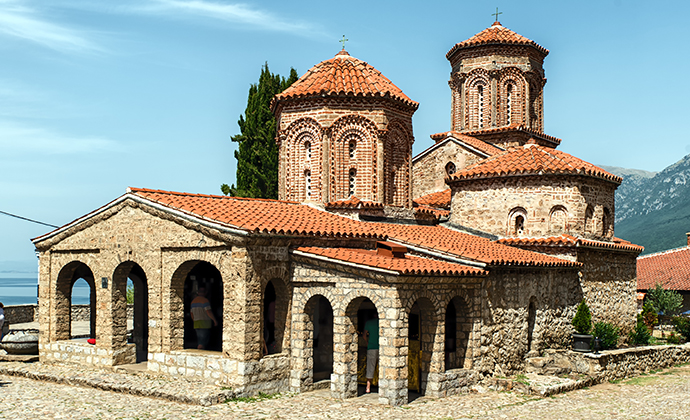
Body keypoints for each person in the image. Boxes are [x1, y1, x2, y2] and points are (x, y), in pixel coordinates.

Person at [363, 317, 379, 393]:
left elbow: (364, 335)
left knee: (370, 366)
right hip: (382, 347)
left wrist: (367, 342)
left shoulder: (369, 323)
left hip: (371, 347)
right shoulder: (381, 321)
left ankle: (368, 387)